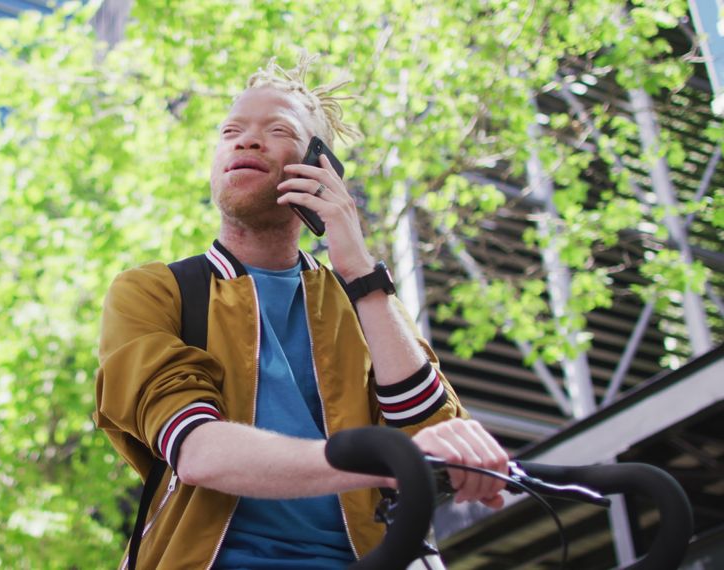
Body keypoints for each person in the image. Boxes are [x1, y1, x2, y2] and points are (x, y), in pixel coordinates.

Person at [94, 54, 509, 569]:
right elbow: (197, 450)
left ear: (319, 166)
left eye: (277, 130)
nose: (245, 141)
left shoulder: (361, 302)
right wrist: (377, 463)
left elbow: (432, 440)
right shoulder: (155, 291)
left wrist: (358, 267)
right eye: (231, 131)